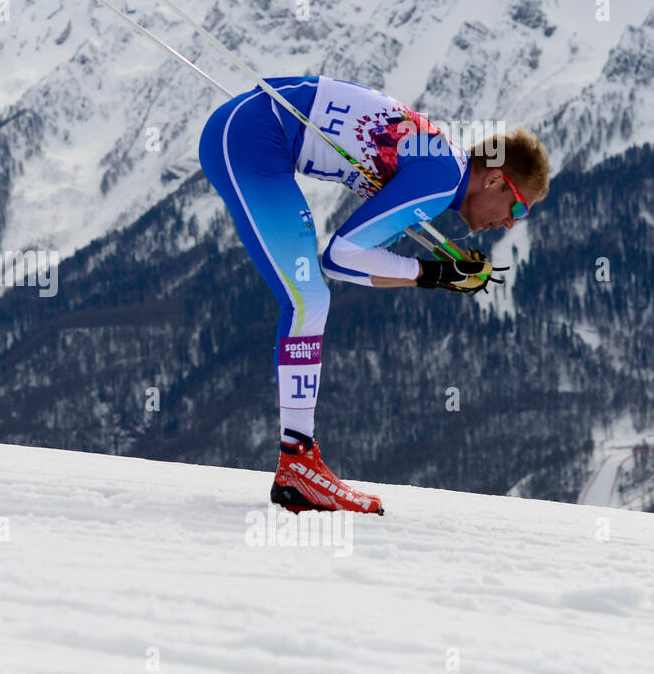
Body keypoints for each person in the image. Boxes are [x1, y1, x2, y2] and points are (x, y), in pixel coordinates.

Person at [197, 76, 550, 515]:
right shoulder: (441, 180)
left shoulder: (444, 166)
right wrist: (435, 274)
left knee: (309, 298)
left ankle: (298, 463)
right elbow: (342, 257)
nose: (513, 223)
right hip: (253, 139)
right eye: (518, 208)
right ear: (495, 181)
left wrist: (437, 274)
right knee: (309, 300)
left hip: (249, 128)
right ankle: (298, 465)